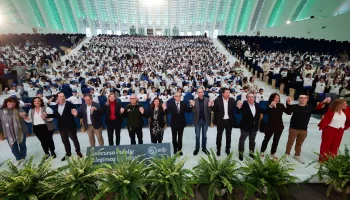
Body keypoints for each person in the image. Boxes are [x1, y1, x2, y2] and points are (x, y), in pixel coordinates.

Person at [284, 94, 331, 164]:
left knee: (299, 143)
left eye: (304, 98)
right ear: (299, 99)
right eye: (301, 98)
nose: (303, 99)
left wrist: (326, 103)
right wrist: (288, 104)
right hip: (293, 128)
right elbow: (288, 112)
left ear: (307, 99)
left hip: (304, 129)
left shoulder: (309, 108)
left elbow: (321, 111)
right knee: (290, 142)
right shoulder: (294, 107)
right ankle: (287, 154)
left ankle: (297, 155)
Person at [45, 92, 82, 161]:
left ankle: (78, 152)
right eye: (60, 96)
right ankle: (68, 153)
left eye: (63, 96)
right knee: (65, 141)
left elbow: (75, 113)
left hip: (70, 126)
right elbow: (55, 115)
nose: (62, 98)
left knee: (75, 140)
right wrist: (47, 116)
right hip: (61, 127)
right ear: (57, 98)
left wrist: (75, 114)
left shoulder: (70, 105)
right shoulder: (56, 106)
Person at [260, 94, 292, 159]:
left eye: (278, 98)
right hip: (269, 126)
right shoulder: (268, 105)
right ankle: (262, 151)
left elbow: (289, 112)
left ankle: (273, 153)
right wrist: (270, 106)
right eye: (275, 98)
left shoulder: (281, 105)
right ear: (272, 98)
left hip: (279, 126)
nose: (277, 99)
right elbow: (264, 112)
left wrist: (288, 104)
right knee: (266, 139)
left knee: (276, 140)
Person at [0, 96, 29, 166]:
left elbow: (26, 117)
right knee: (13, 147)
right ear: (6, 102)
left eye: (14, 102)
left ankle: (23, 158)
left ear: (16, 103)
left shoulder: (19, 109)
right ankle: (18, 159)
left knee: (22, 145)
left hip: (20, 131)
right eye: (9, 102)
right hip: (8, 133)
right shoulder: (1, 111)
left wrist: (24, 116)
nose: (11, 103)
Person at [236, 92, 261, 161]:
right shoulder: (244, 105)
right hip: (245, 127)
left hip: (254, 127)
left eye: (252, 97)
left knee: (252, 141)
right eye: (249, 97)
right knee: (242, 140)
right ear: (246, 99)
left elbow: (262, 112)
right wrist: (238, 107)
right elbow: (238, 111)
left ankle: (251, 153)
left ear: (254, 98)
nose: (251, 98)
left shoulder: (258, 105)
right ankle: (241, 153)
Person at [212, 88, 237, 156]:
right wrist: (211, 105)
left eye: (229, 93)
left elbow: (236, 108)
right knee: (219, 136)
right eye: (227, 93)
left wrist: (239, 106)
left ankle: (227, 148)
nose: (228, 94)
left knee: (228, 136)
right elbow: (214, 110)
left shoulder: (232, 100)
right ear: (222, 94)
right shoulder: (217, 100)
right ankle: (218, 149)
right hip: (221, 121)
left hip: (229, 121)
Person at [191, 88, 212, 155]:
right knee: (197, 136)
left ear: (203, 92)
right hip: (197, 121)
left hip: (205, 120)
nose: (200, 93)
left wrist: (210, 106)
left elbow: (209, 111)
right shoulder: (194, 100)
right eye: (198, 92)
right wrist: (193, 106)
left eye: (201, 92)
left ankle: (204, 148)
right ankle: (197, 149)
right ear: (197, 93)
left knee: (204, 135)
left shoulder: (207, 100)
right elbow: (193, 111)